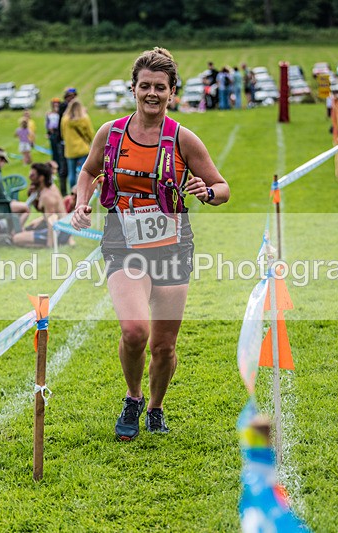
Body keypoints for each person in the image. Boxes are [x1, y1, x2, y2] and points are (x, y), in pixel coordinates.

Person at [71, 47, 230, 440]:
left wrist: (206, 192)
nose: (152, 94)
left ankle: (156, 407)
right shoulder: (111, 133)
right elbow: (88, 171)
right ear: (133, 89)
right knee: (135, 331)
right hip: (122, 242)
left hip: (173, 246)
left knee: (163, 346)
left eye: (161, 87)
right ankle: (133, 397)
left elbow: (223, 187)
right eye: (145, 86)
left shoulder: (184, 139)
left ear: (172, 92)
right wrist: (81, 202)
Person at [13, 162, 72, 248]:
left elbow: (52, 221)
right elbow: (44, 211)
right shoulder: (46, 188)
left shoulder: (47, 196)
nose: (29, 177)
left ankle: (55, 244)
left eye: (33, 175)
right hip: (61, 228)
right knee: (26, 229)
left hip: (60, 231)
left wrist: (50, 244)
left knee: (16, 238)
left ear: (41, 178)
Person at [60, 98, 94, 191]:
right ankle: (83, 190)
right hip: (82, 148)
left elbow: (62, 134)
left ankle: (72, 193)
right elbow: (90, 133)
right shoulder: (84, 118)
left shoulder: (65, 119)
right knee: (84, 172)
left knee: (71, 173)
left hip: (70, 150)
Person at [45, 98, 66, 195]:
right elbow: (47, 124)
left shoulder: (61, 113)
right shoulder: (49, 114)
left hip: (59, 135)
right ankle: (55, 170)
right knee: (54, 153)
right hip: (52, 134)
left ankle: (60, 168)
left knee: (60, 153)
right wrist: (48, 132)